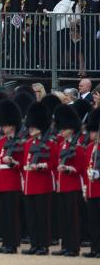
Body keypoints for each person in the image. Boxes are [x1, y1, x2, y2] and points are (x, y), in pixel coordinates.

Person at [21, 102, 57, 255]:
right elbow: (24, 164)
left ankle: (43, 245)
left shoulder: (49, 143)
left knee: (42, 217)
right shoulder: (28, 144)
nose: (31, 129)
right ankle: (34, 244)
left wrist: (41, 166)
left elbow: (53, 163)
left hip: (42, 185)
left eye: (34, 126)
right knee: (32, 218)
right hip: (29, 185)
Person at [51, 105, 84, 257]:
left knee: (72, 218)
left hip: (72, 186)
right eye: (61, 128)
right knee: (63, 218)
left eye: (64, 129)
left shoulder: (76, 147)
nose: (62, 131)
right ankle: (65, 245)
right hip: (61, 186)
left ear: (71, 128)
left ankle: (73, 247)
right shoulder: (61, 145)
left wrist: (68, 169)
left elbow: (79, 168)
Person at [0, 100, 24, 254]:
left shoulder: (19, 142)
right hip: (0, 183)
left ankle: (12, 244)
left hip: (12, 183)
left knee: (12, 215)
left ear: (12, 125)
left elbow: (22, 164)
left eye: (5, 125)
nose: (2, 127)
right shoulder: (0, 142)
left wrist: (13, 163)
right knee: (3, 215)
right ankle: (5, 242)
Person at [84, 108, 100, 258]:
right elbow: (85, 168)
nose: (91, 134)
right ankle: (95, 249)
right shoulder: (89, 148)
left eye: (94, 131)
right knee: (93, 222)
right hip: (91, 189)